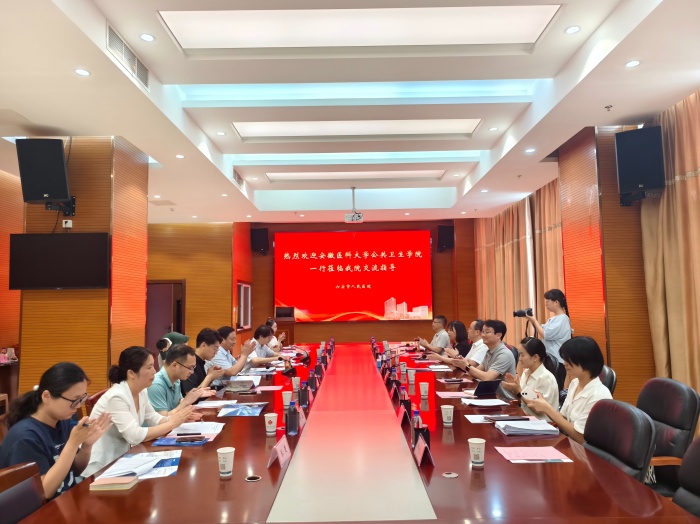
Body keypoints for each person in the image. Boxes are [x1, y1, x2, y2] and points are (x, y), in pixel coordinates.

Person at [0, 363, 111, 499]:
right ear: (47, 396)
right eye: (74, 400)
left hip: (66, 500)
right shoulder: (25, 438)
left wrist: (86, 446)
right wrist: (72, 443)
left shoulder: (62, 420)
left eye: (81, 399)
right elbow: (43, 493)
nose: (78, 406)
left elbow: (75, 471)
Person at [81, 347, 193, 478]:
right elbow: (134, 435)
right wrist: (171, 424)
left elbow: (153, 418)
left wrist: (178, 418)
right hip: (101, 466)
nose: (154, 371)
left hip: (123, 460)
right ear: (131, 373)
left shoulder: (141, 391)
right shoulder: (117, 397)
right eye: (149, 367)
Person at [524, 336, 612, 444]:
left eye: (569, 360)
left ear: (585, 360)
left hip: (582, 451)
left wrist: (547, 408)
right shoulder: (575, 383)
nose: (564, 363)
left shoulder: (598, 395)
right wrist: (543, 407)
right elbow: (563, 417)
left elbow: (581, 438)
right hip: (569, 444)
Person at [501, 337, 559, 419]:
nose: (519, 359)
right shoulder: (526, 372)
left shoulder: (545, 377)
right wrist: (514, 389)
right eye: (519, 355)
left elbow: (538, 409)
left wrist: (519, 390)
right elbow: (522, 399)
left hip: (541, 423)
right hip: (526, 418)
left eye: (522, 355)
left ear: (535, 357)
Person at [147, 344, 206, 420]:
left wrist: (194, 396)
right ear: (175, 365)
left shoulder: (176, 380)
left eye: (193, 367)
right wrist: (186, 401)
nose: (192, 372)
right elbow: (162, 419)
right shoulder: (156, 384)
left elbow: (178, 402)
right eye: (190, 367)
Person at [525, 289, 571, 365]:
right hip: (551, 359)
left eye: (547, 301)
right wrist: (532, 320)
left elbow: (546, 334)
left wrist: (534, 321)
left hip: (556, 360)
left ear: (556, 302)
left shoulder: (562, 319)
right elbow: (542, 330)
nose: (546, 304)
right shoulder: (556, 318)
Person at [180, 328, 227, 395]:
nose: (216, 352)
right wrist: (209, 377)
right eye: (215, 348)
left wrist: (212, 377)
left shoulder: (201, 361)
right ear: (203, 346)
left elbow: (202, 388)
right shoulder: (190, 362)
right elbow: (190, 394)